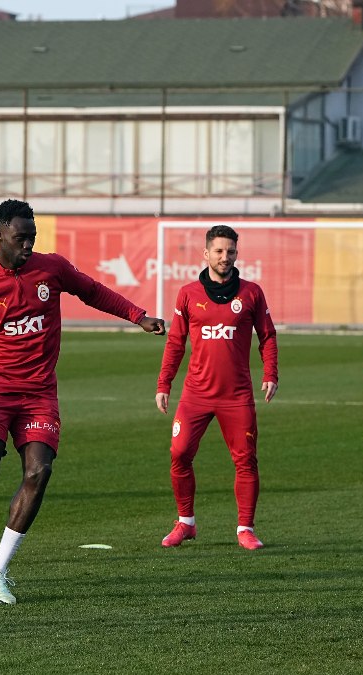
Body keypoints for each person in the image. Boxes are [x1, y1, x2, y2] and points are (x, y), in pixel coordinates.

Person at [0, 199, 166, 605]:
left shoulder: (51, 268)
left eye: (32, 237)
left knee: (39, 471)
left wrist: (138, 316)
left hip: (39, 393)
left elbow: (92, 291)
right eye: (20, 238)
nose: (28, 245)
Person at [155, 225, 278, 550]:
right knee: (179, 453)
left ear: (236, 254)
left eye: (231, 251)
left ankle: (245, 528)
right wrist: (164, 383)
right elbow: (176, 341)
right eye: (219, 251)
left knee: (246, 461)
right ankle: (185, 523)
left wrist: (271, 373)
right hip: (195, 394)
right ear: (206, 253)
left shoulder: (251, 293)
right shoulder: (188, 293)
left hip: (236, 396)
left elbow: (267, 335)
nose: (225, 257)